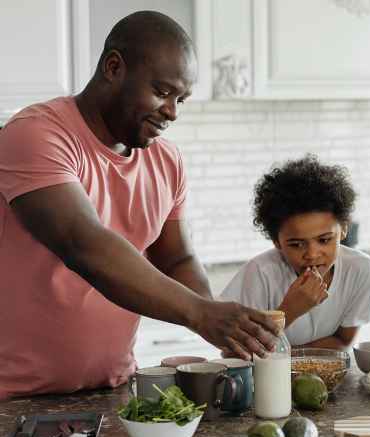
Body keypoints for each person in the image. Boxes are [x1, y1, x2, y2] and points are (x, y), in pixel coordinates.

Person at [0, 11, 277, 400]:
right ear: (114, 67)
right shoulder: (36, 135)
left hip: (113, 390)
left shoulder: (166, 161)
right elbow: (84, 244)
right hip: (12, 400)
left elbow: (177, 258)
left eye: (181, 99)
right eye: (163, 92)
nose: (173, 111)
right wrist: (200, 314)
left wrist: (218, 321)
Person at [221, 155, 370, 349]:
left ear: (344, 228)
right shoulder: (260, 273)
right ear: (276, 241)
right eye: (296, 244)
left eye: (324, 240)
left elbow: (343, 341)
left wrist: (290, 360)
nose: (312, 254)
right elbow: (235, 353)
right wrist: (289, 310)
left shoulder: (361, 269)